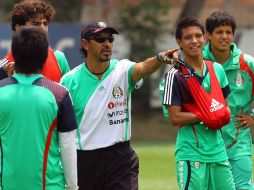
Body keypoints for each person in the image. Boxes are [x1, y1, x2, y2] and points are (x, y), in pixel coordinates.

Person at [60, 21, 177, 190]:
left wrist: (159, 58)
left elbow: (142, 68)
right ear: (85, 44)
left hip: (120, 158)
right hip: (85, 160)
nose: (107, 43)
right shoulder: (69, 81)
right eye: (99, 39)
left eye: (110, 38)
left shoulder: (122, 69)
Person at [0, 26, 78, 190]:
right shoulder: (60, 94)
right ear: (45, 57)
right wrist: (72, 187)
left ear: (14, 53)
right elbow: (68, 146)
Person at [162, 16, 235, 190]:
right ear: (179, 42)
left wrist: (221, 114)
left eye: (198, 36)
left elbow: (224, 109)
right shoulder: (175, 76)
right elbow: (175, 118)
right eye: (188, 37)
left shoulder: (217, 70)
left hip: (219, 152)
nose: (194, 41)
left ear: (205, 38)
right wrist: (206, 115)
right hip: (191, 153)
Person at [203, 10, 254, 190]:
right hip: (206, 143)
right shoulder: (198, 63)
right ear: (208, 35)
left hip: (239, 142)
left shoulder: (247, 64)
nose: (224, 36)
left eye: (228, 32)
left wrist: (253, 116)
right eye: (219, 32)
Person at [0, 0, 70, 82]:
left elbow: (67, 92)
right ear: (18, 28)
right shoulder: (3, 68)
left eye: (45, 24)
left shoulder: (59, 58)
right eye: (36, 24)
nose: (43, 29)